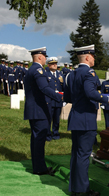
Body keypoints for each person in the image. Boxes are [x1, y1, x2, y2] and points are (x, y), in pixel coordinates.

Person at [64, 44, 109, 196]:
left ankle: (74, 188)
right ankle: (82, 190)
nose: (94, 58)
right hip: (86, 119)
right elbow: (90, 92)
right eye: (93, 56)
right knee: (84, 155)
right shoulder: (89, 73)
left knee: (76, 153)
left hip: (75, 117)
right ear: (87, 57)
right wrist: (108, 99)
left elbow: (67, 97)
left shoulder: (70, 75)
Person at [24, 47, 63, 176]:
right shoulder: (38, 70)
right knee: (39, 139)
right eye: (45, 56)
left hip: (35, 109)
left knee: (36, 139)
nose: (46, 59)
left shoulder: (32, 69)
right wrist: (59, 96)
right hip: (39, 109)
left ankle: (38, 166)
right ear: (40, 57)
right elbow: (44, 88)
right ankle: (40, 168)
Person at [45, 57, 64, 141]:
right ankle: (48, 134)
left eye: (55, 63)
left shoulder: (61, 75)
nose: (55, 65)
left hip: (58, 100)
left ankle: (55, 133)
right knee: (49, 118)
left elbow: (63, 88)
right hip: (50, 100)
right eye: (53, 64)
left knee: (56, 119)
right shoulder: (46, 75)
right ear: (48, 65)